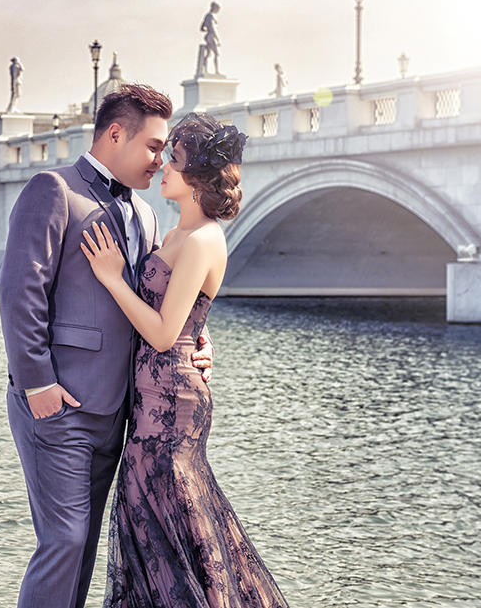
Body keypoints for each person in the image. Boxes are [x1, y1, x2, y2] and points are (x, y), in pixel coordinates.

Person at [0, 84, 215, 608]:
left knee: (86, 546)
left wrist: (199, 339)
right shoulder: (53, 191)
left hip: (120, 412)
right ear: (115, 134)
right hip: (59, 407)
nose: (160, 160)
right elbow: (19, 295)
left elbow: (157, 302)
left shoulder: (145, 217)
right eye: (153, 146)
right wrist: (39, 385)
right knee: (64, 541)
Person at [81, 112, 288, 607]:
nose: (163, 168)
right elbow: (187, 313)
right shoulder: (173, 234)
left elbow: (162, 331)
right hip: (152, 397)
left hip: (172, 405)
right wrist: (203, 335)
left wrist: (112, 278)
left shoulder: (202, 240)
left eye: (173, 160)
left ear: (195, 179)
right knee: (150, 521)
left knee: (169, 520)